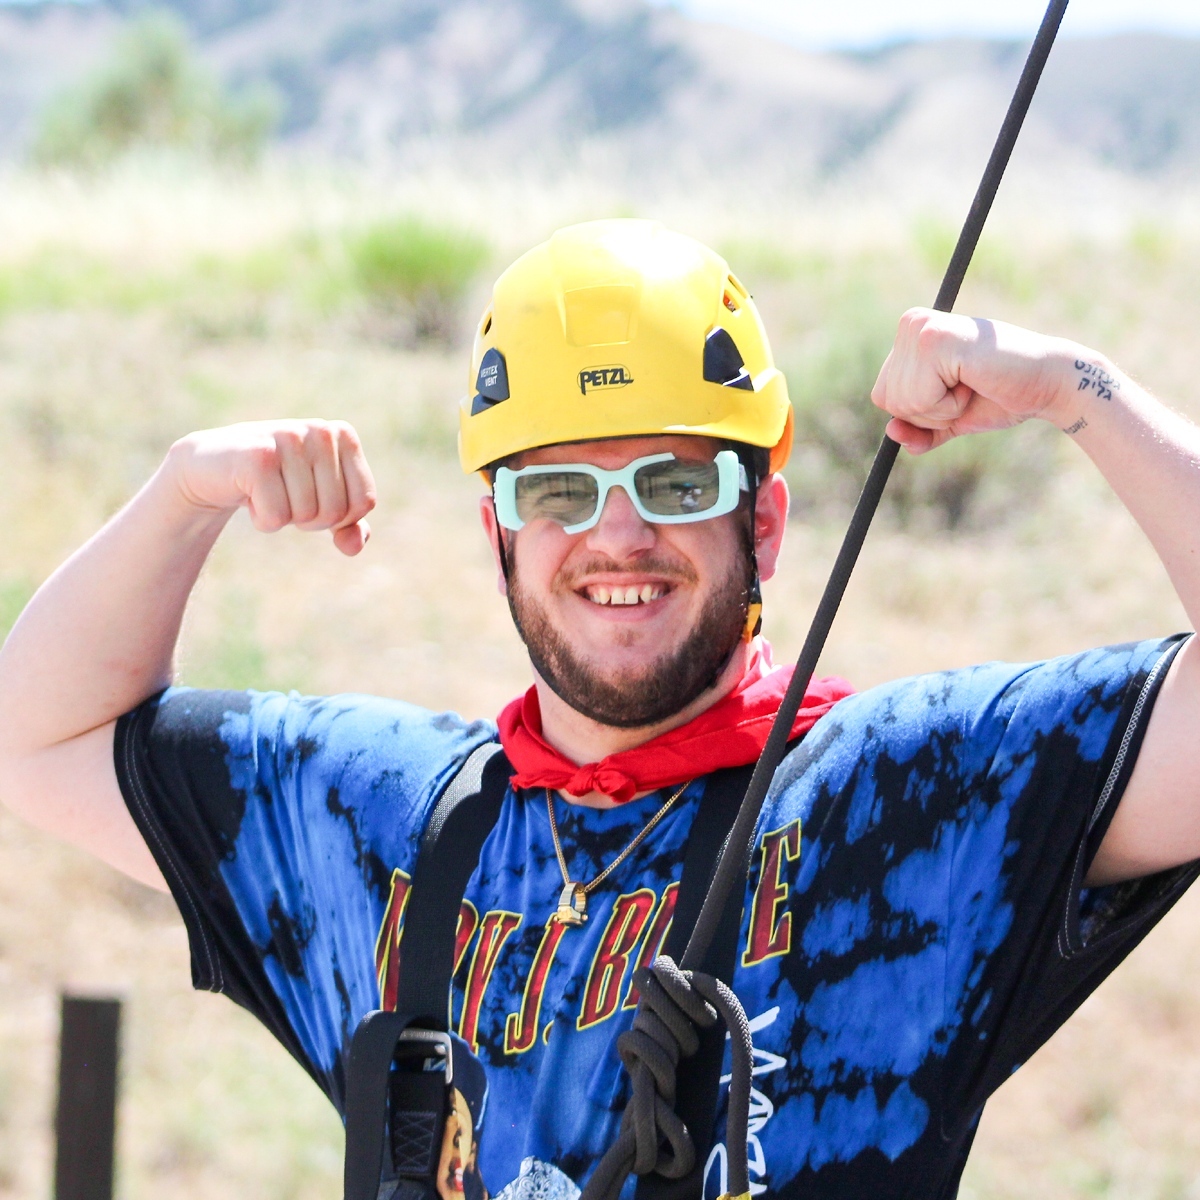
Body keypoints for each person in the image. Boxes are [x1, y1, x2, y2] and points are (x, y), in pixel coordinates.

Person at [1, 218, 1199, 1199]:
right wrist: (181, 496)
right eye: (560, 487)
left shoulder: (908, 800)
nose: (617, 533)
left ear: (764, 525)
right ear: (501, 539)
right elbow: (33, 736)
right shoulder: (383, 821)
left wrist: (1076, 392)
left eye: (677, 482)